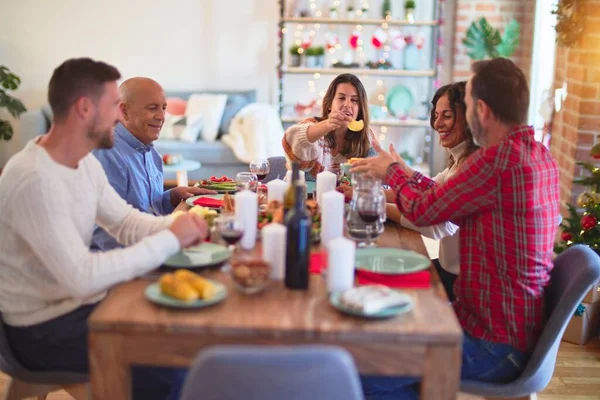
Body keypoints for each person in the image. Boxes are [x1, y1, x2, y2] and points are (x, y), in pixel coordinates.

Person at [0, 58, 208, 400]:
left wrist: (177, 223)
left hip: (75, 305)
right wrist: (171, 238)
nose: (120, 116)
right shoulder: (35, 178)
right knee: (168, 361)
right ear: (85, 108)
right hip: (38, 330)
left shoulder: (82, 161)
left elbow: (125, 222)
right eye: (115, 106)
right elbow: (81, 276)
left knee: (182, 338)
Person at [352, 58, 560, 398]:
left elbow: (425, 210)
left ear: (480, 109)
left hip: (491, 343)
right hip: (511, 331)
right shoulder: (538, 154)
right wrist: (398, 171)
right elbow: (441, 197)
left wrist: (391, 171)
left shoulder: (496, 161)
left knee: (359, 371)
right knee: (384, 334)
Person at [91, 77, 215, 251]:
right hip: (121, 260)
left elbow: (147, 208)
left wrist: (171, 197)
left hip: (149, 246)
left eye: (164, 108)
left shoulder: (152, 154)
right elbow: (107, 232)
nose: (162, 117)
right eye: (152, 108)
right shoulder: (107, 153)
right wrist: (165, 246)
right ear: (124, 111)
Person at [282, 73, 377, 181]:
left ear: (360, 109)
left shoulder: (366, 136)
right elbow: (291, 139)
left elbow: (374, 175)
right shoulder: (313, 126)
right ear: (329, 106)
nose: (347, 104)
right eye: (341, 98)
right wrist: (328, 124)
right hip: (301, 195)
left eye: (354, 100)